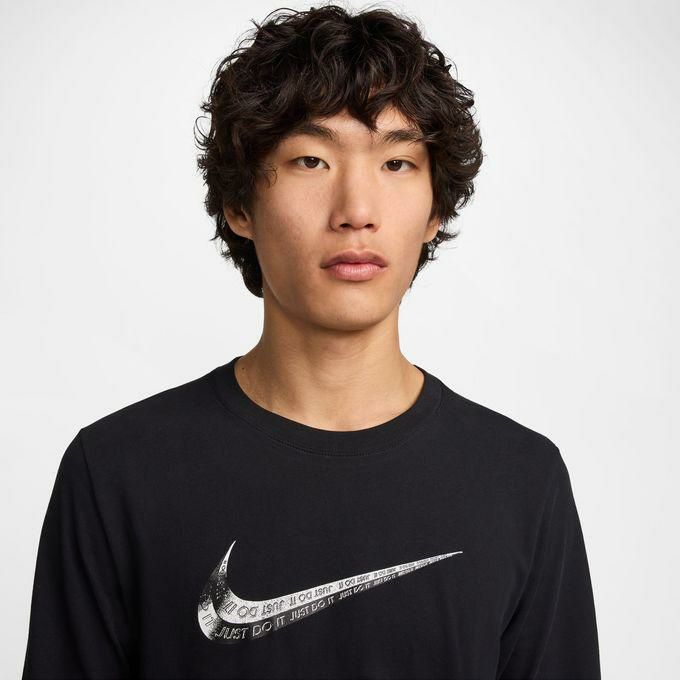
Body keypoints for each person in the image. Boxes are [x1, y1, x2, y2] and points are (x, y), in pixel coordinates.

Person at [22, 5, 600, 679]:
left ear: (435, 210)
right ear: (239, 205)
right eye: (311, 159)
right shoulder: (117, 473)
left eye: (397, 162)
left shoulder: (521, 483)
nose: (356, 210)